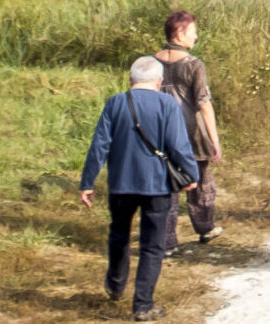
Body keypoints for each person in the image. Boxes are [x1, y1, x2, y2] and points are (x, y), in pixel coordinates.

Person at [79, 55, 200, 321]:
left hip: (120, 184)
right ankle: (143, 306)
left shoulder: (116, 102)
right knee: (152, 245)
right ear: (159, 81)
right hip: (157, 186)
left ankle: (115, 285)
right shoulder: (168, 104)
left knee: (119, 234)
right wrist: (191, 175)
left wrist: (87, 183)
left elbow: (99, 145)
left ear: (130, 79)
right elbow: (179, 145)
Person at [154, 11, 225, 249]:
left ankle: (167, 241)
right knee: (202, 182)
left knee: (166, 187)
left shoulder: (151, 63)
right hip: (192, 133)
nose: (195, 37)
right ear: (179, 33)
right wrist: (214, 140)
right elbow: (204, 103)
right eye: (193, 32)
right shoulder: (194, 65)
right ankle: (205, 228)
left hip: (161, 133)